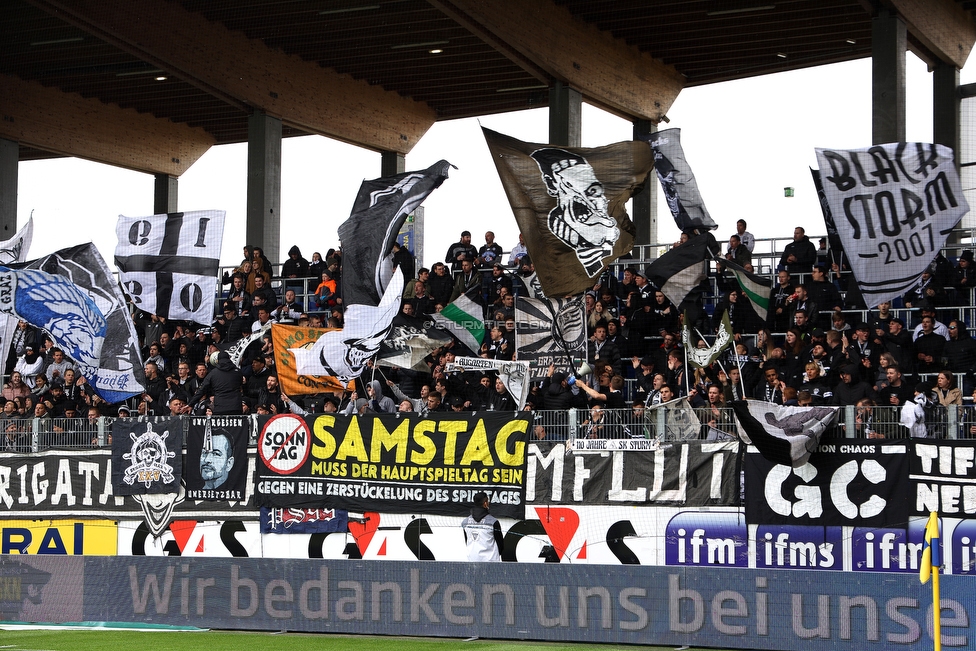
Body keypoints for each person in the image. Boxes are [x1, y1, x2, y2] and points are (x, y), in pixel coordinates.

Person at [460, 491, 503, 562]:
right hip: (491, 563)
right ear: (485, 503)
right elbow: (500, 545)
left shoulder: (465, 522)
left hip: (472, 561)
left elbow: (467, 541)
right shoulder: (493, 522)